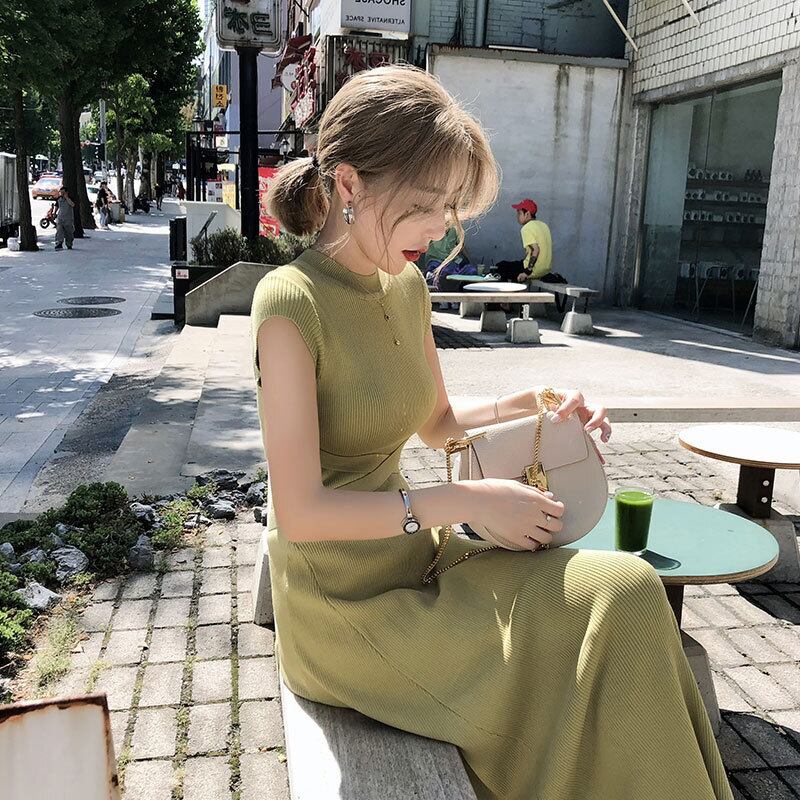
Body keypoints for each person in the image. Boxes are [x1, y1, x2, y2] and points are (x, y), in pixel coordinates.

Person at [250, 65, 732, 800]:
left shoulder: (406, 285)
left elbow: (438, 425)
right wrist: (467, 501)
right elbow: (302, 512)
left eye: (450, 207)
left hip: (416, 561)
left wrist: (539, 403)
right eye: (425, 206)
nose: (441, 228)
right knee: (579, 644)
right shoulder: (290, 303)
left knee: (629, 588)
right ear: (348, 185)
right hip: (341, 612)